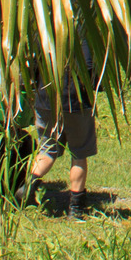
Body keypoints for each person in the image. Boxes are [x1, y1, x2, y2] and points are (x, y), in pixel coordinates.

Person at [21, 45, 100, 218]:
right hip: (75, 101)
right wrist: (95, 84)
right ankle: (76, 208)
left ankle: (26, 194)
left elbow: (33, 63)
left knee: (47, 151)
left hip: (45, 100)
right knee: (79, 154)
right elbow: (87, 66)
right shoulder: (82, 32)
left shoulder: (46, 26)